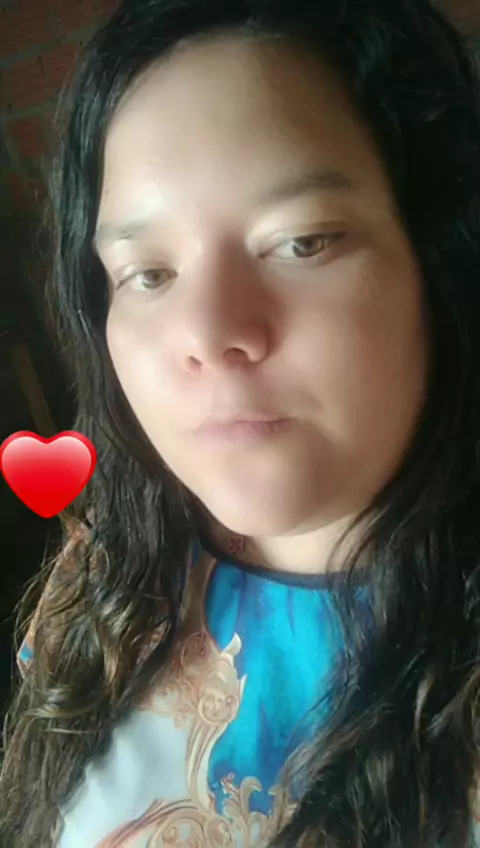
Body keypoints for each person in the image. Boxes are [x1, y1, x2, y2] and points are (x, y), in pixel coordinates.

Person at [1, 0, 480, 845]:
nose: (207, 332)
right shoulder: (102, 578)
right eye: (149, 274)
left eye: (304, 241)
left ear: (439, 260)